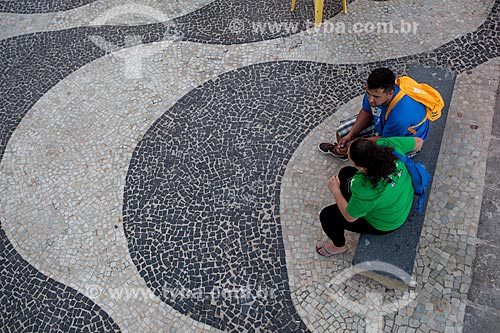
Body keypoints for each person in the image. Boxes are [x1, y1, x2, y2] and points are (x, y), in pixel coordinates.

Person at [316, 136, 423, 256]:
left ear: (361, 167)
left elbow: (350, 217)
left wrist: (335, 190)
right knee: (345, 173)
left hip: (386, 223)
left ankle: (338, 246)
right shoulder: (387, 145)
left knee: (328, 216)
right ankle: (358, 204)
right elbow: (419, 142)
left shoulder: (364, 188)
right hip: (404, 198)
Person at [318, 68, 428, 161]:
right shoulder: (375, 93)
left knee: (376, 159)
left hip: (402, 138)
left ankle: (353, 155)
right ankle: (345, 153)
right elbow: (366, 112)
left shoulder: (401, 116)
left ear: (390, 93)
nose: (370, 100)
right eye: (368, 93)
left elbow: (385, 141)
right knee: (342, 133)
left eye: (376, 97)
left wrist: (355, 143)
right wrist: (350, 135)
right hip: (384, 122)